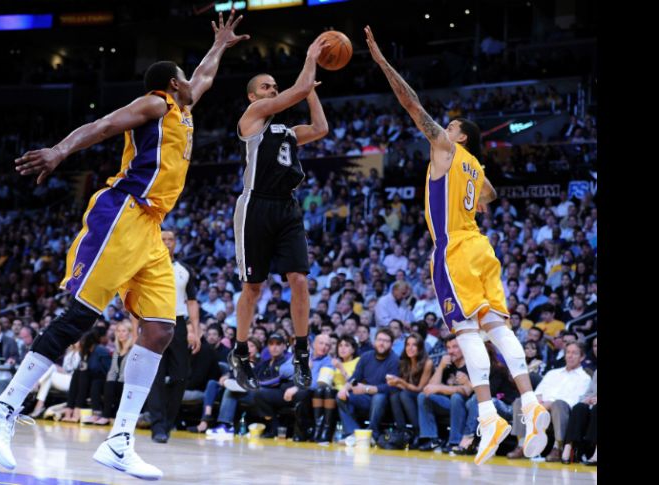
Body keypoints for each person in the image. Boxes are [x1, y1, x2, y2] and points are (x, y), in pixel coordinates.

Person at [0, 11, 248, 480]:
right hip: (123, 212)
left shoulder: (184, 107)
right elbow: (103, 124)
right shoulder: (155, 104)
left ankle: (120, 440)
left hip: (153, 229)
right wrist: (60, 151)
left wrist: (219, 45)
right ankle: (2, 407)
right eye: (184, 78)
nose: (191, 81)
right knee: (81, 314)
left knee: (160, 330)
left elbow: (203, 75)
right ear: (170, 84)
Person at [366, 25, 550, 465]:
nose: (442, 130)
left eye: (450, 127)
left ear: (459, 136)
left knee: (466, 331)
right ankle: (529, 401)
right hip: (482, 249)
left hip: (454, 250)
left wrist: (382, 63)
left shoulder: (447, 147)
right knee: (497, 326)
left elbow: (411, 104)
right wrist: (475, 201)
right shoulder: (477, 167)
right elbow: (490, 195)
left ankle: (488, 414)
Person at [227, 34, 330, 393]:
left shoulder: (285, 130)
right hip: (255, 205)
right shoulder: (251, 119)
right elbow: (297, 89)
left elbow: (320, 129)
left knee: (299, 279)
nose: (272, 90)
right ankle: (240, 352)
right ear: (253, 97)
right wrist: (310, 57)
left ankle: (301, 351)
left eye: (275, 86)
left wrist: (311, 90)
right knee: (253, 287)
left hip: (287, 205)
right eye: (266, 87)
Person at [145, 229, 202, 443]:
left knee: (180, 376)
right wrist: (135, 331)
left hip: (178, 323)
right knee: (156, 376)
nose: (167, 243)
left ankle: (168, 422)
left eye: (171, 240)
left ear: (176, 244)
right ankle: (158, 425)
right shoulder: (148, 266)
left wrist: (195, 330)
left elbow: (192, 301)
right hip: (154, 321)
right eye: (163, 240)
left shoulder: (184, 269)